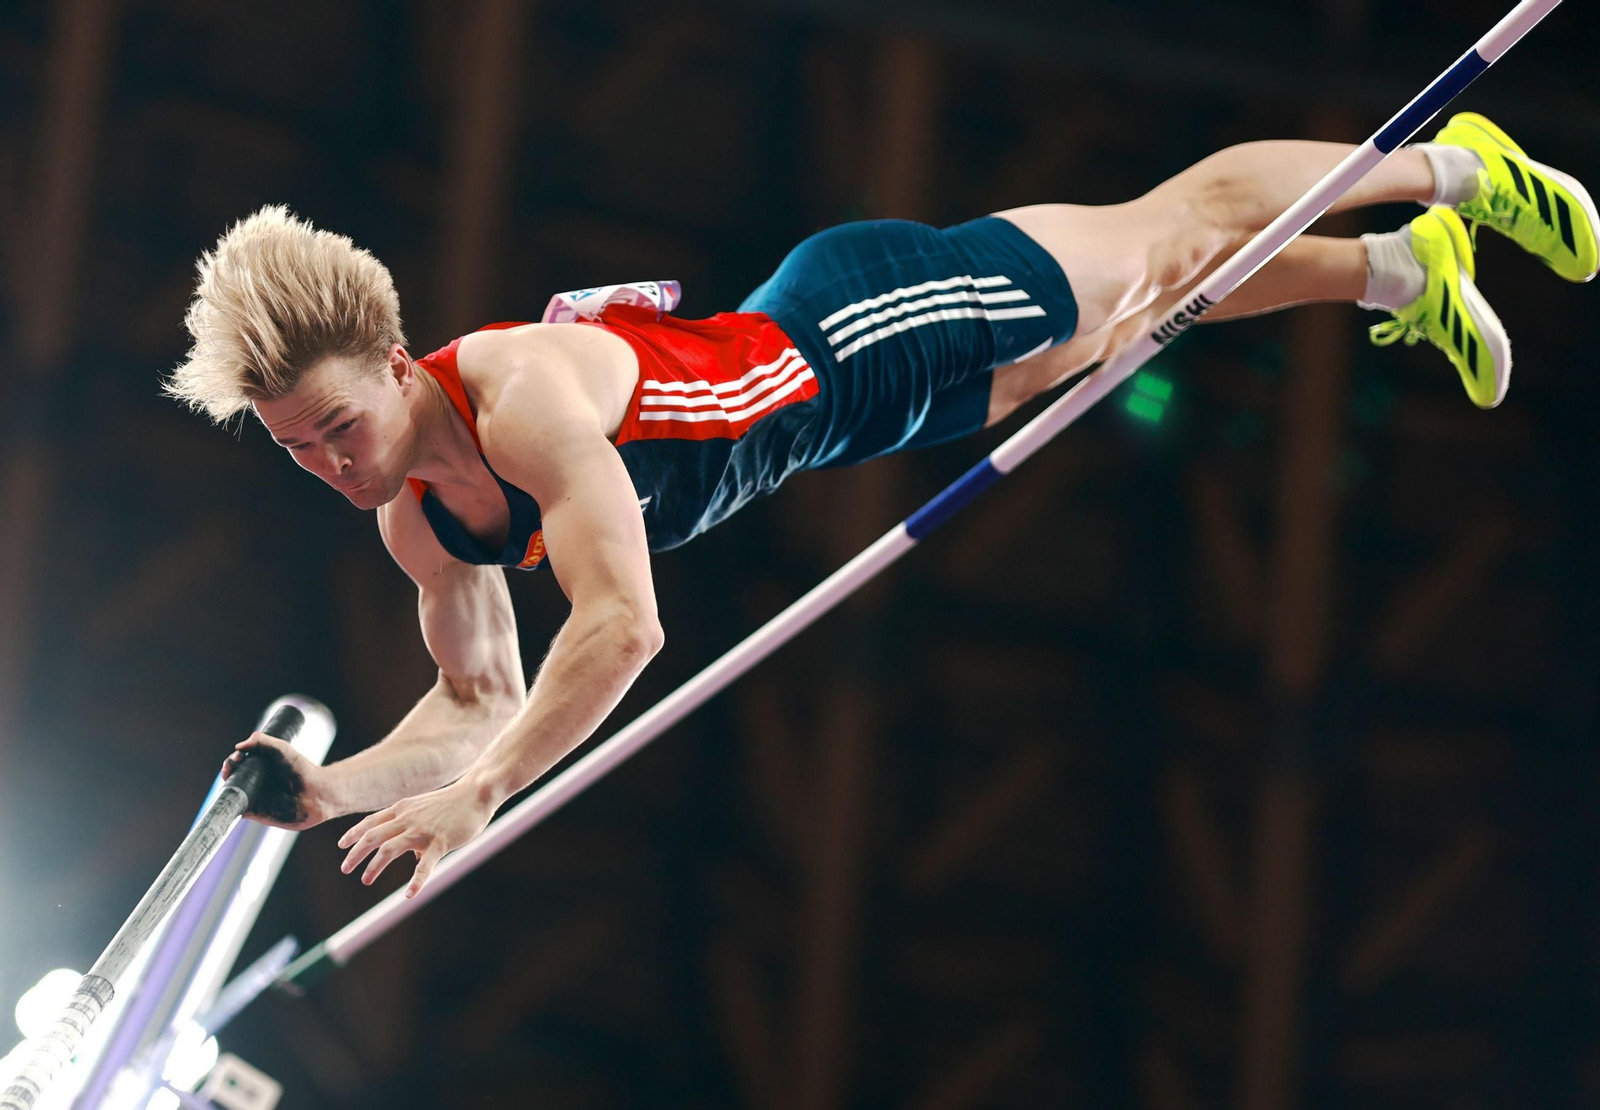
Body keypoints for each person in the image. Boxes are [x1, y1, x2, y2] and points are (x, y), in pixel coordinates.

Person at [180, 112, 1593, 897]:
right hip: (859, 424)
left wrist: (487, 799)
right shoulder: (418, 523)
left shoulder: (520, 395)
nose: (333, 465)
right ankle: (1402, 271)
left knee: (1176, 234)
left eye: (338, 427)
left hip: (856, 327)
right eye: (296, 451)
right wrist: (332, 789)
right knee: (1129, 326)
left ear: (390, 356)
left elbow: (618, 629)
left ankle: (1456, 161)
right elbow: (474, 697)